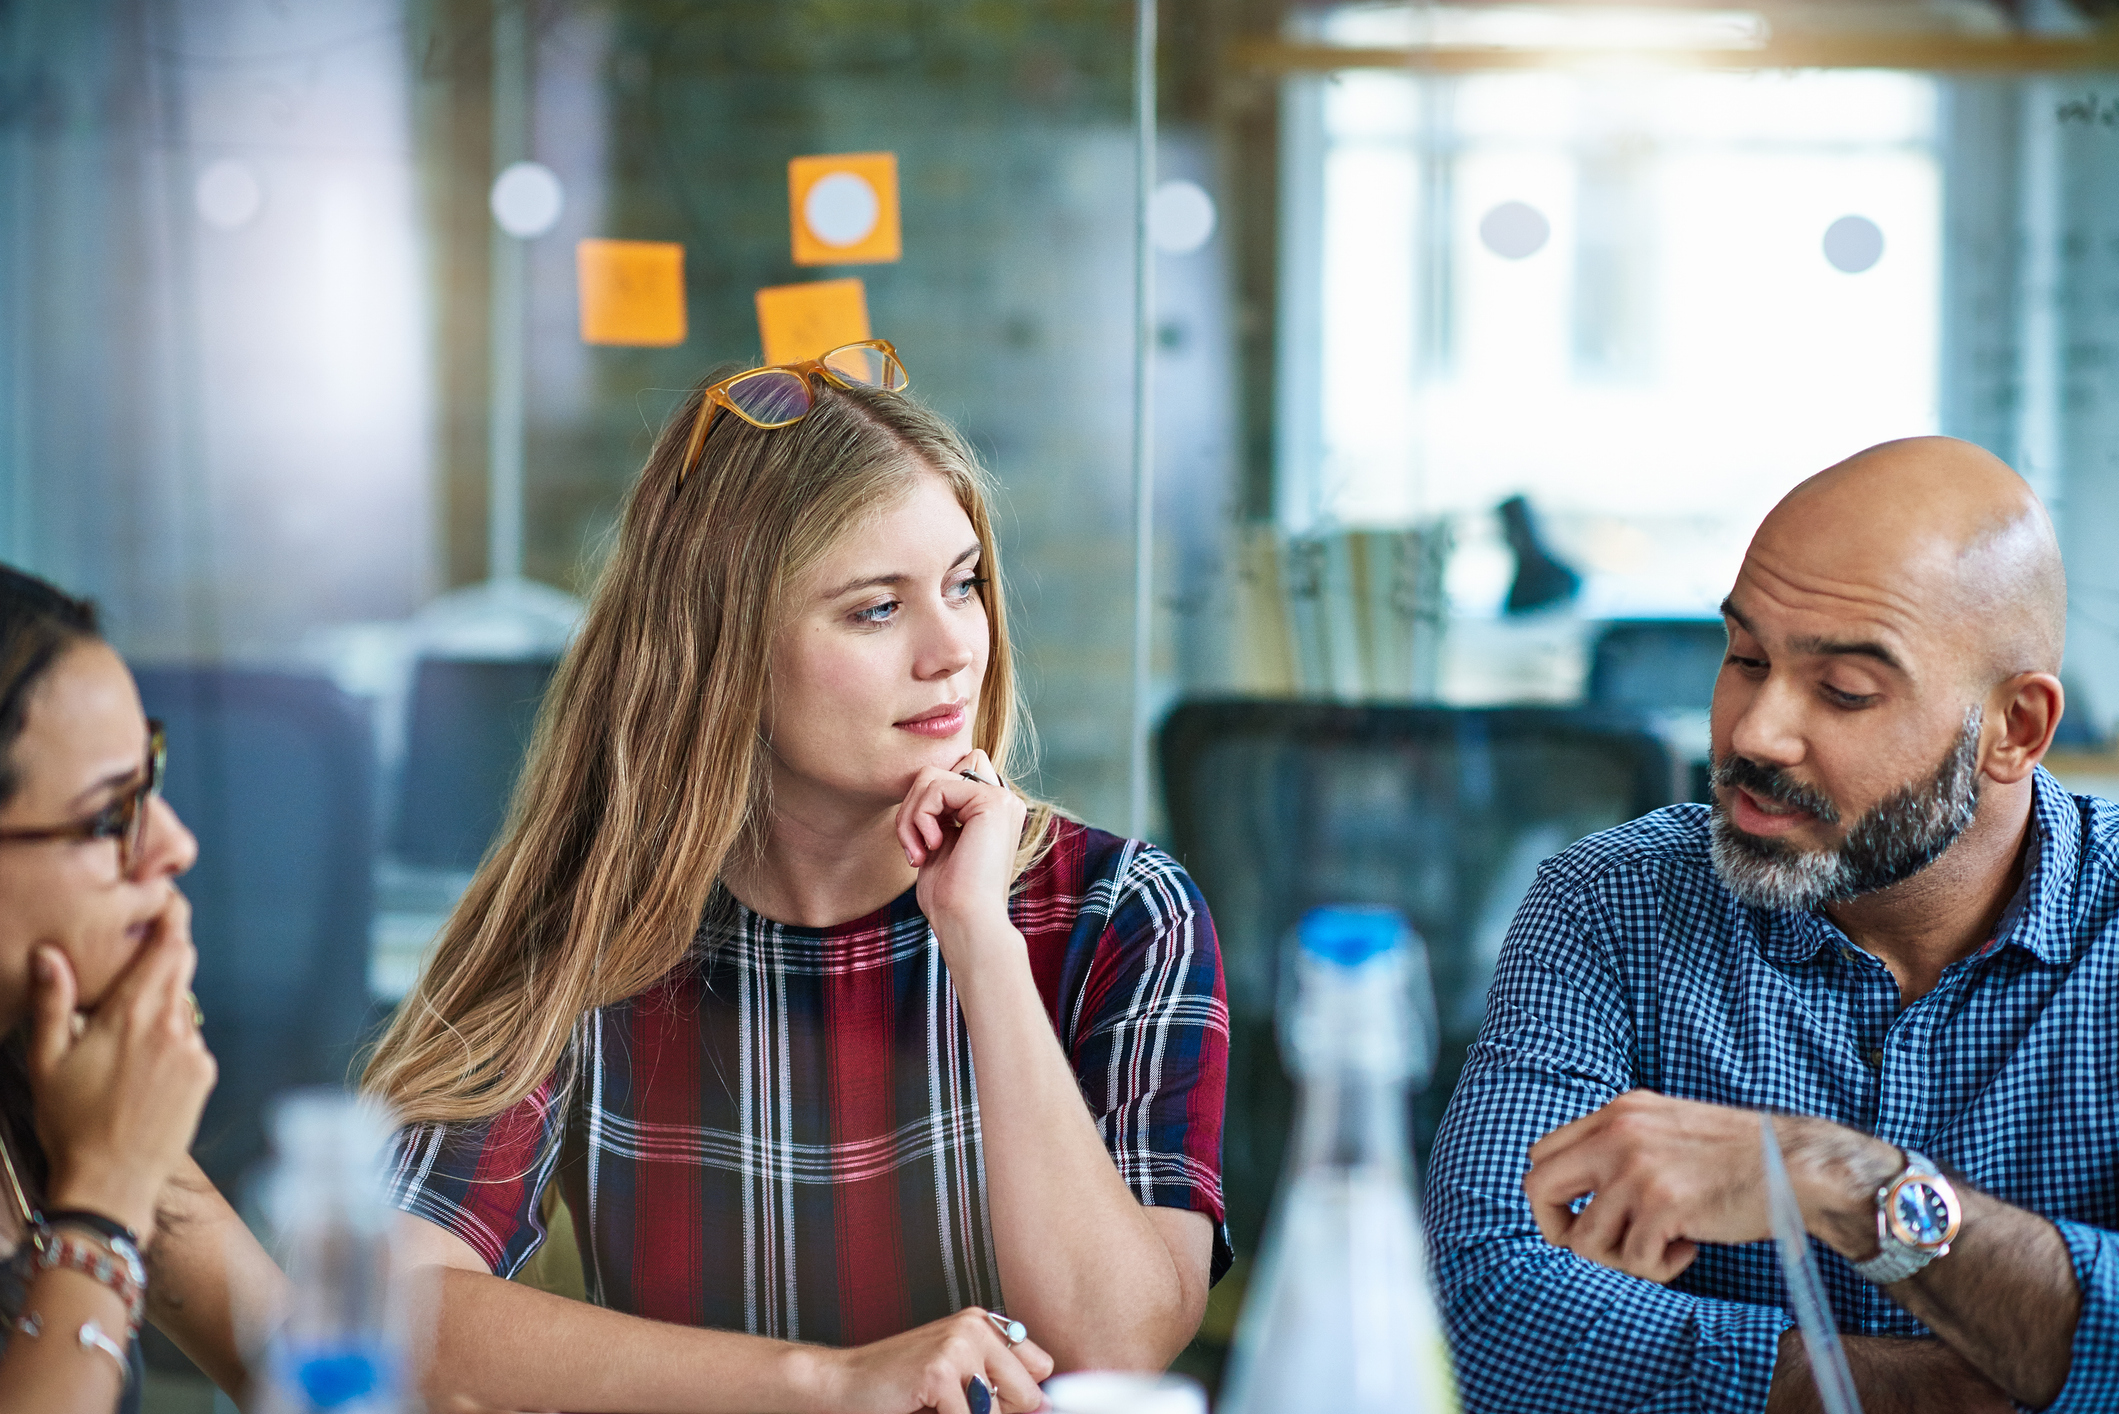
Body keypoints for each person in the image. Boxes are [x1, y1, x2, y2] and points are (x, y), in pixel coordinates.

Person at [363, 340, 1231, 1414]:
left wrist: (980, 944)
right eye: (876, 608)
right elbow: (390, 1305)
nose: (952, 648)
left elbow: (1119, 1346)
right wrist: (827, 1383)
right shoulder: (588, 920)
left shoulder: (1118, 911)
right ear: (722, 648)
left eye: (963, 586)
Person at [1427, 437, 2115, 1413]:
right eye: (1744, 658)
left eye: (1842, 691)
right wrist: (1952, 1393)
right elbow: (1477, 1305)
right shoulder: (1610, 904)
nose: (1752, 731)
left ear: (2014, 730)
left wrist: (1838, 1180)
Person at [0, 566, 287, 1413]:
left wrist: (132, 1140)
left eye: (148, 784)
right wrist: (101, 1201)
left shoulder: (40, 1076)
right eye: (109, 814)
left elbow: (294, 1367)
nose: (176, 844)